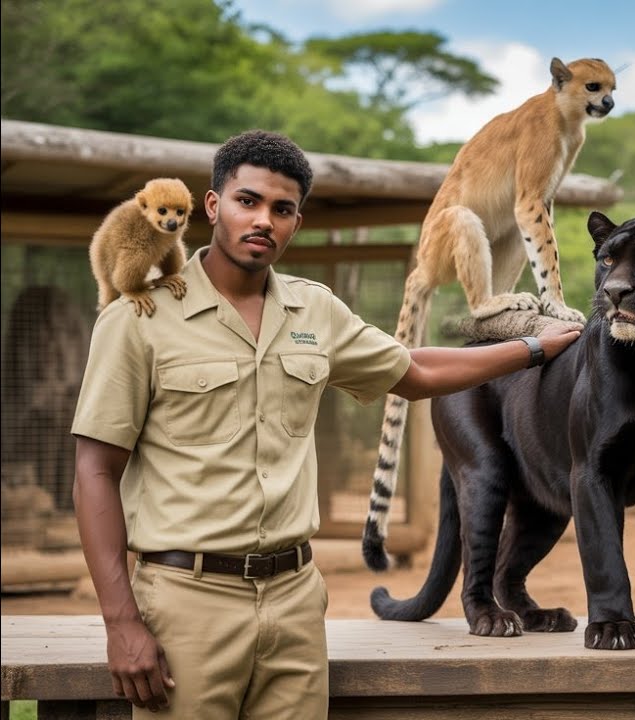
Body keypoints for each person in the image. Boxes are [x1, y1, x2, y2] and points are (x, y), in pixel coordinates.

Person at [71, 129, 582, 718]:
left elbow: (412, 370)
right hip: (188, 601)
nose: (264, 220)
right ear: (212, 207)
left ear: (296, 222)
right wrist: (121, 622)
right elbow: (94, 470)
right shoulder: (139, 319)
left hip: (294, 601)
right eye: (248, 201)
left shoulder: (314, 310)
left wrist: (534, 349)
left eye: (282, 209)